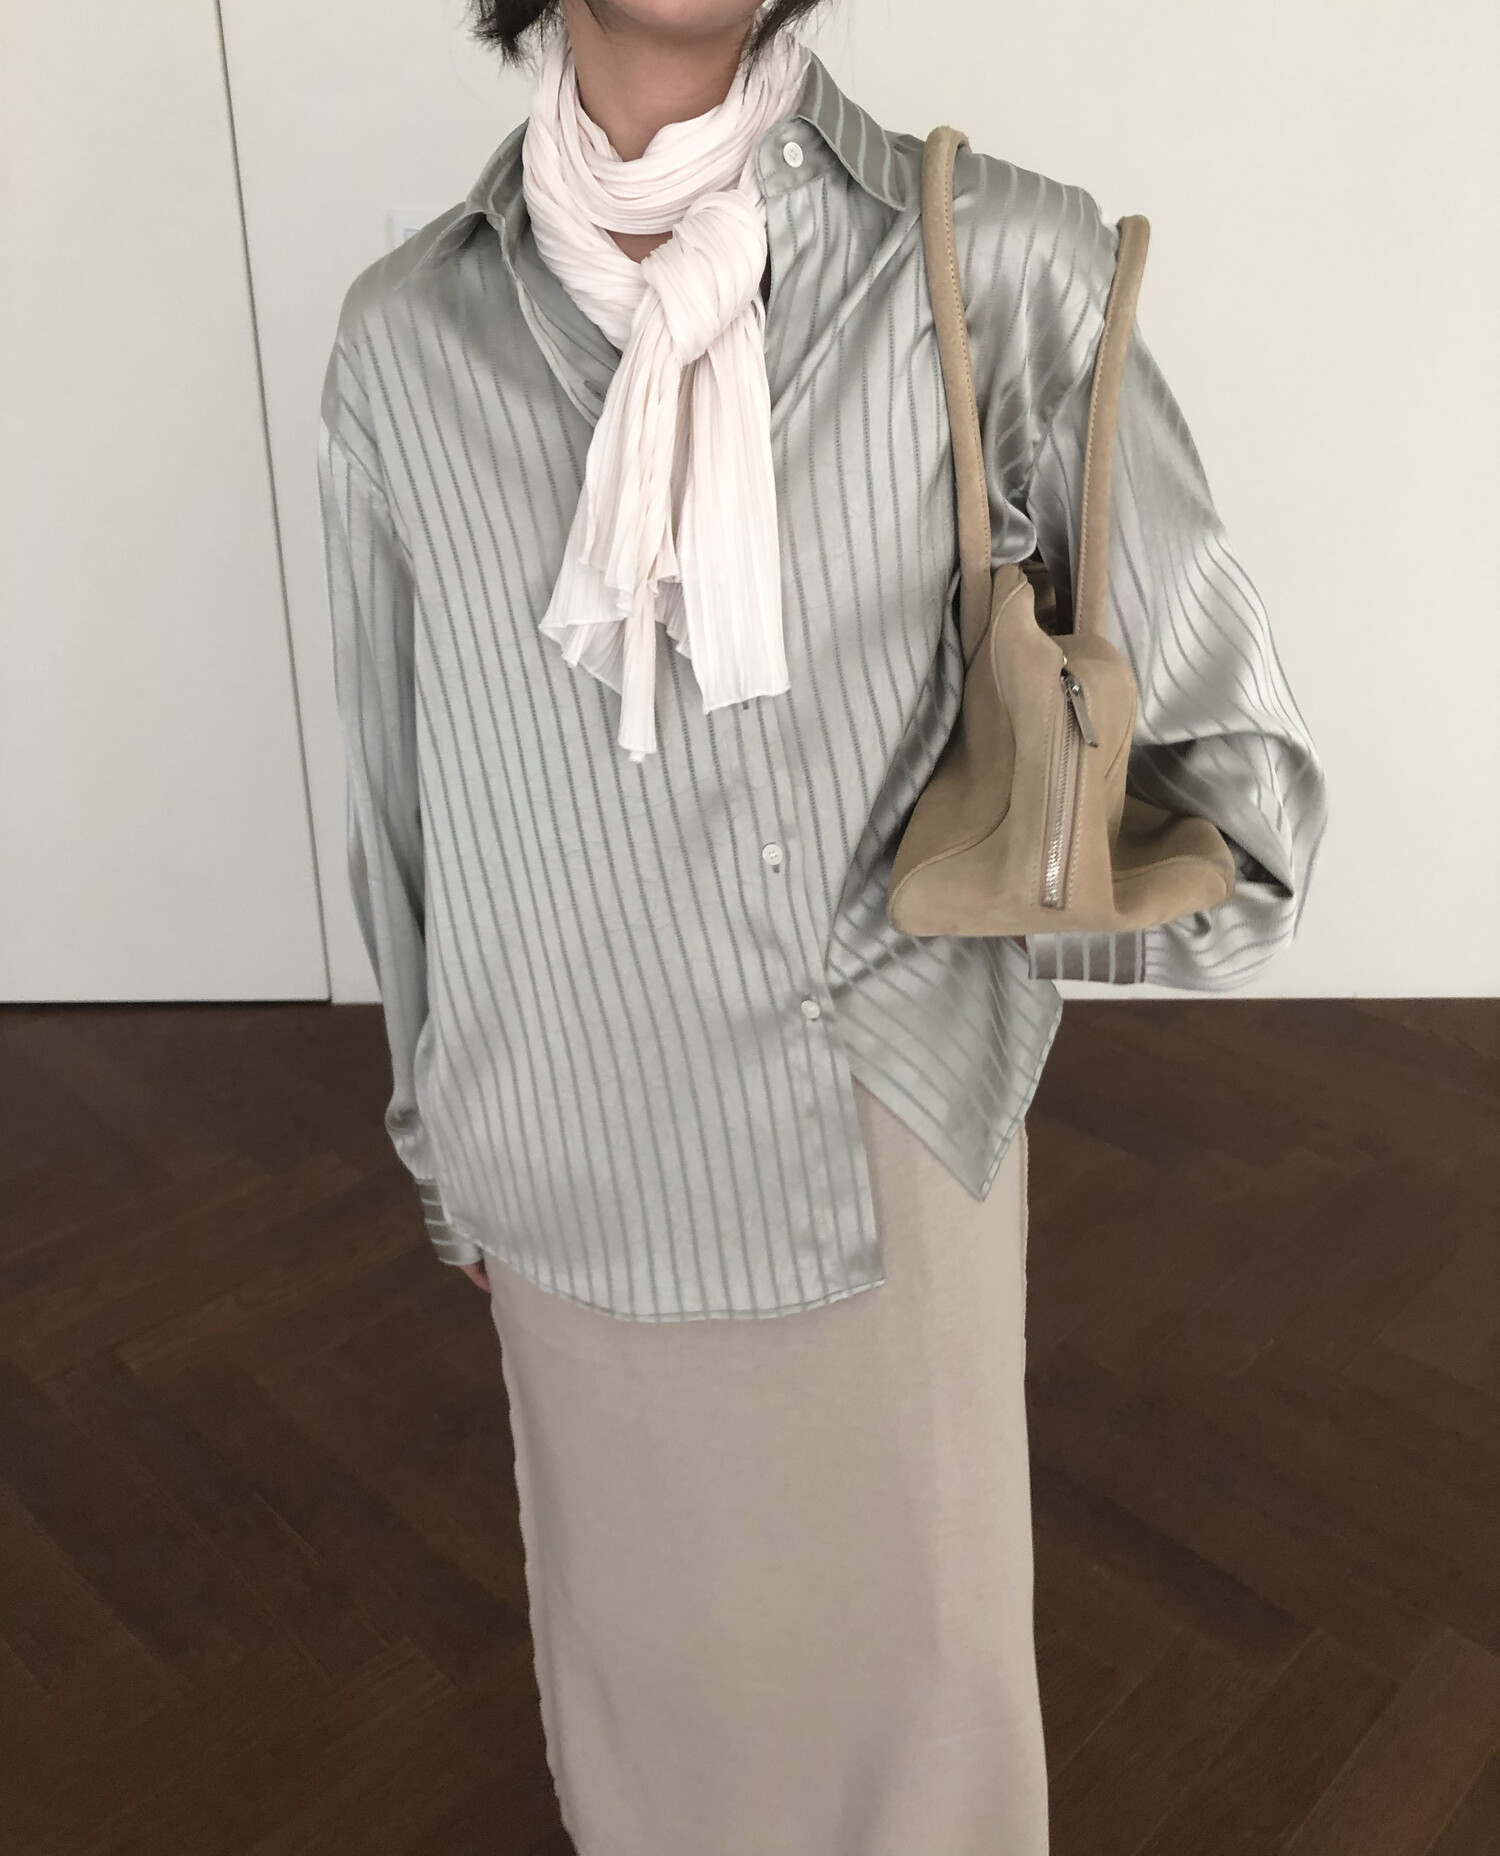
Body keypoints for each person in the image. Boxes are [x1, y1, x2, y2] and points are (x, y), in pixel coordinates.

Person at [316, 1, 1327, 1849]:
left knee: (917, 1749)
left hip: (867, 1165)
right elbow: (409, 800)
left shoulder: (992, 263)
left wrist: (954, 950)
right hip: (559, 1158)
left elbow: (1240, 806)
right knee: (648, 1732)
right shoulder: (407, 339)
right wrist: (442, 1141)